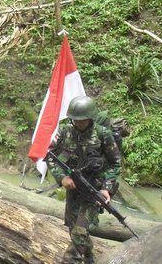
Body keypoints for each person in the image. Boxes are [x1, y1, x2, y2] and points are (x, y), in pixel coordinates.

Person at [48, 96, 121, 264]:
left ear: (90, 118)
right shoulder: (65, 131)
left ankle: (69, 261)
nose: (78, 123)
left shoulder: (103, 134)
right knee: (74, 230)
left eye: (82, 120)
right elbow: (51, 157)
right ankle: (89, 259)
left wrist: (106, 189)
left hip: (94, 191)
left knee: (79, 232)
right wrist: (62, 178)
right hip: (73, 189)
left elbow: (115, 164)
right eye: (75, 120)